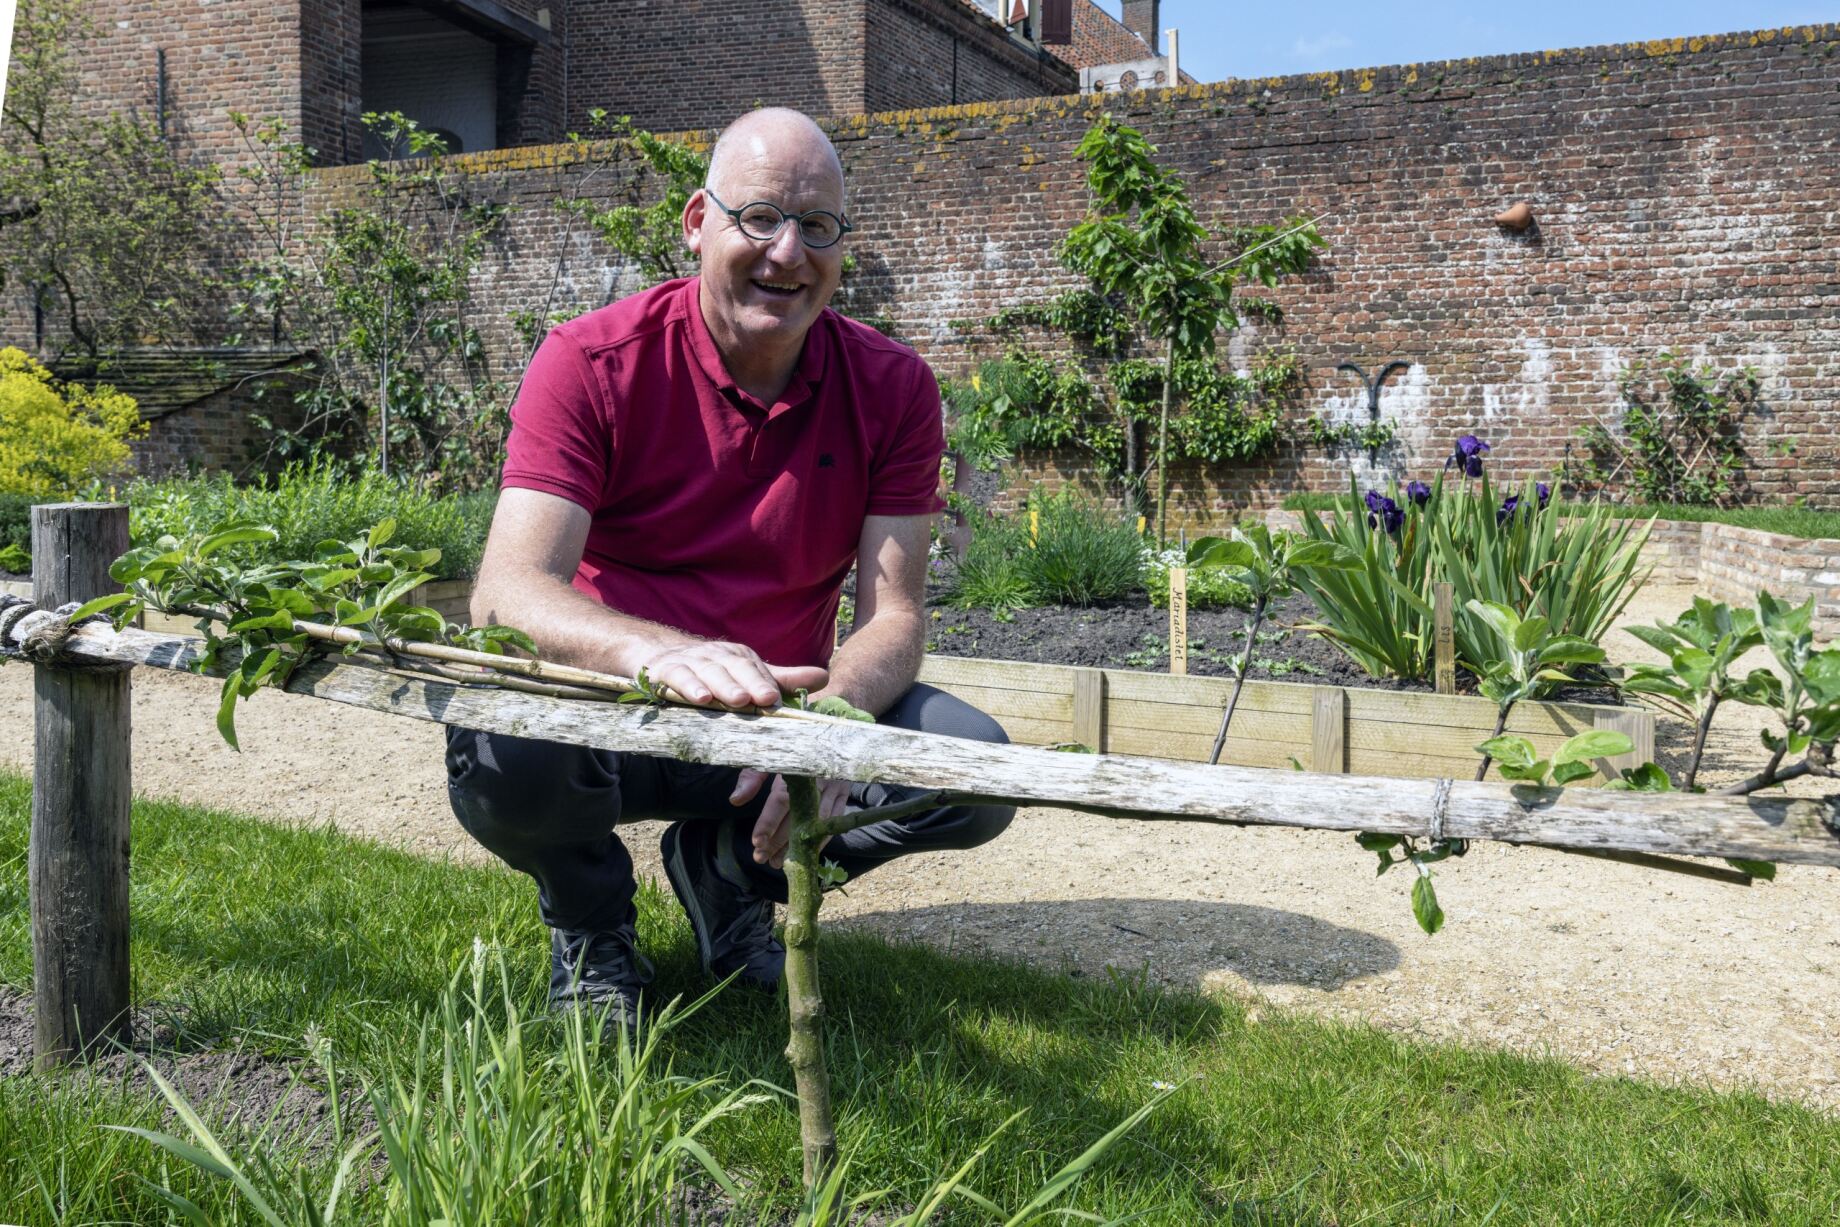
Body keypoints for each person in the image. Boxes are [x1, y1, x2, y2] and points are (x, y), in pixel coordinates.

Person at [446, 107, 1014, 1027]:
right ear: (696, 223)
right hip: (611, 719)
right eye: (758, 217)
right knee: (507, 746)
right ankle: (591, 922)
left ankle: (725, 869)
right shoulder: (590, 362)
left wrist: (832, 723)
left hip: (777, 725)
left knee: (974, 767)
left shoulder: (894, 386)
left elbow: (896, 616)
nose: (788, 253)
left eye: (817, 226)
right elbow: (506, 594)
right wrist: (660, 656)